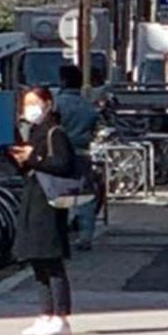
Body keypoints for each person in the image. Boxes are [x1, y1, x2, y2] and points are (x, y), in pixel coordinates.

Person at [10, 83, 78, 335]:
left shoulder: (55, 132)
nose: (30, 109)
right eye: (26, 104)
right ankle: (45, 313)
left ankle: (61, 315)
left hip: (49, 203)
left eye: (34, 103)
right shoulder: (35, 131)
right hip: (34, 198)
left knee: (51, 259)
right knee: (37, 260)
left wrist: (34, 158)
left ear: (48, 104)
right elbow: (32, 166)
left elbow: (63, 164)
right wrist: (18, 159)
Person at [54, 61, 100, 251]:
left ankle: (58, 235)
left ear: (63, 82)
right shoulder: (88, 106)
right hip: (82, 153)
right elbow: (94, 129)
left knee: (56, 195)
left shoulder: (57, 104)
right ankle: (85, 236)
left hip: (59, 154)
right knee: (85, 197)